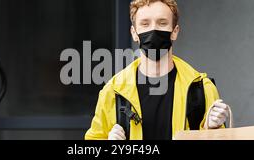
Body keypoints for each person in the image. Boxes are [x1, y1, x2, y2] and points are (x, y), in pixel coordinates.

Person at [85, 0, 230, 140]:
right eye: (145, 24)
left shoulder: (201, 89)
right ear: (134, 33)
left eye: (162, 23)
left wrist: (211, 130)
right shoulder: (113, 91)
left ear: (175, 31)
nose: (153, 30)